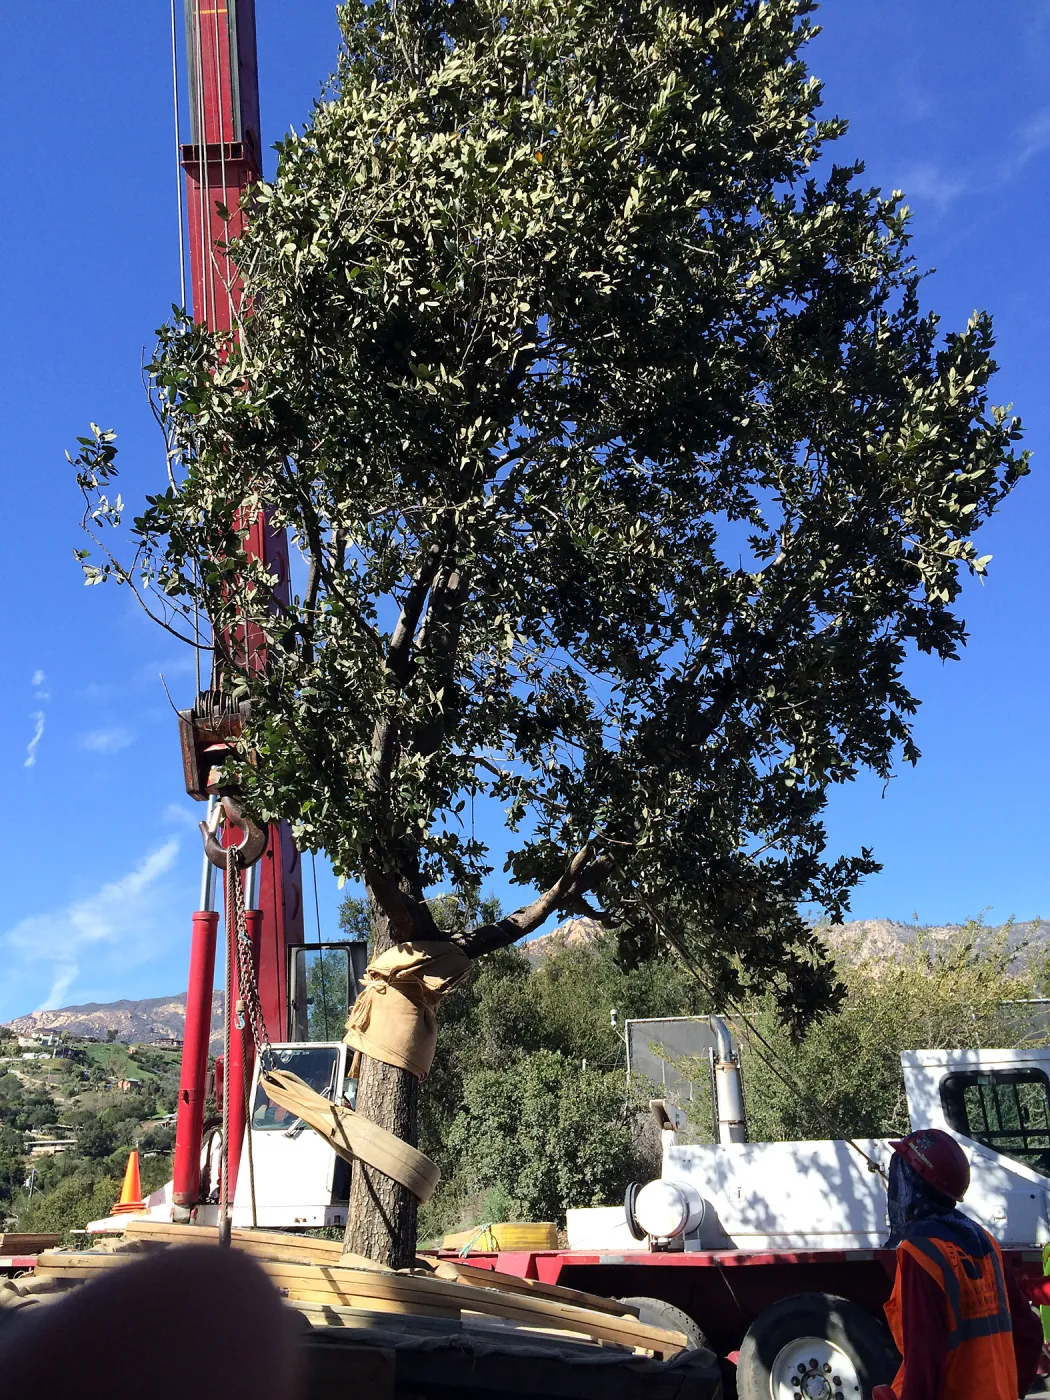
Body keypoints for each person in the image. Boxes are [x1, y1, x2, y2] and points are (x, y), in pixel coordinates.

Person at [874, 1128, 1042, 1400]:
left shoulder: (921, 1251)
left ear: (913, 1184)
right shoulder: (985, 1241)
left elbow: (924, 1363)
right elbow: (1029, 1332)